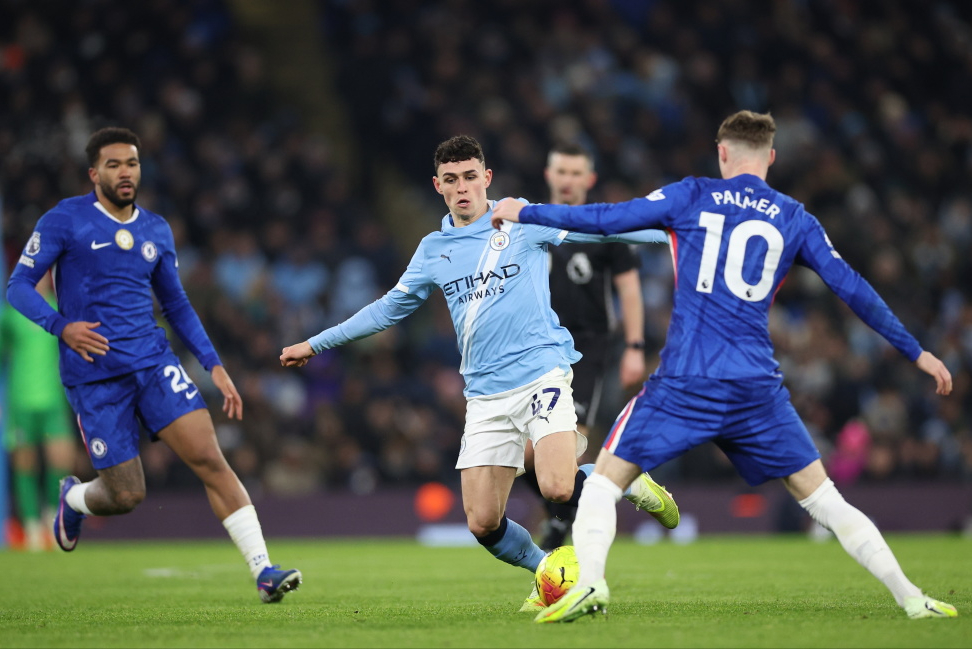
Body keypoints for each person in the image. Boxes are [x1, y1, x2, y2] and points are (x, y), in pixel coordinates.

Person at [491, 110, 958, 622]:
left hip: (685, 380)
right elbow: (853, 288)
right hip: (756, 387)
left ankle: (592, 585)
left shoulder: (692, 194)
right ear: (770, 157)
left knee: (603, 482)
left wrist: (526, 211)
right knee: (825, 500)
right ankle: (912, 598)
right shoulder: (794, 217)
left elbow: (605, 219)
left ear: (722, 153)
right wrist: (917, 352)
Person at [280, 135, 677, 612]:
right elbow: (386, 309)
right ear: (438, 186)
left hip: (541, 373)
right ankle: (548, 571)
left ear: (486, 178)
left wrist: (672, 232)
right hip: (485, 396)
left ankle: (628, 480)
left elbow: (600, 232)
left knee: (556, 486)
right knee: (483, 522)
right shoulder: (434, 249)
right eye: (451, 180)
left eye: (470, 177)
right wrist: (315, 343)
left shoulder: (520, 219)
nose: (462, 187)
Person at [6, 127, 301, 603]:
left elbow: (176, 304)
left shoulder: (156, 230)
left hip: (153, 364)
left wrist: (213, 364)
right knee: (126, 495)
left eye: (132, 163)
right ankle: (75, 499)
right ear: (94, 173)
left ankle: (264, 571)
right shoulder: (64, 219)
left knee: (209, 457)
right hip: (95, 376)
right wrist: (62, 327)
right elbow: (17, 286)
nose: (125, 173)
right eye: (114, 165)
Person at [522, 144, 648, 550]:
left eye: (576, 173)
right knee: (521, 457)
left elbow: (629, 289)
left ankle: (565, 521)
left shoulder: (604, 226)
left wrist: (635, 346)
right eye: (562, 171)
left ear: (589, 179)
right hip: (536, 348)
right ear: (549, 174)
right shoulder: (530, 223)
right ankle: (569, 512)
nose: (568, 180)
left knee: (566, 445)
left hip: (586, 349)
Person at [1, 271, 75, 551]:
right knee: (24, 464)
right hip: (20, 401)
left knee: (62, 459)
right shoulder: (10, 314)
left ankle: (52, 518)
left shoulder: (61, 309)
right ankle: (31, 526)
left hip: (54, 401)